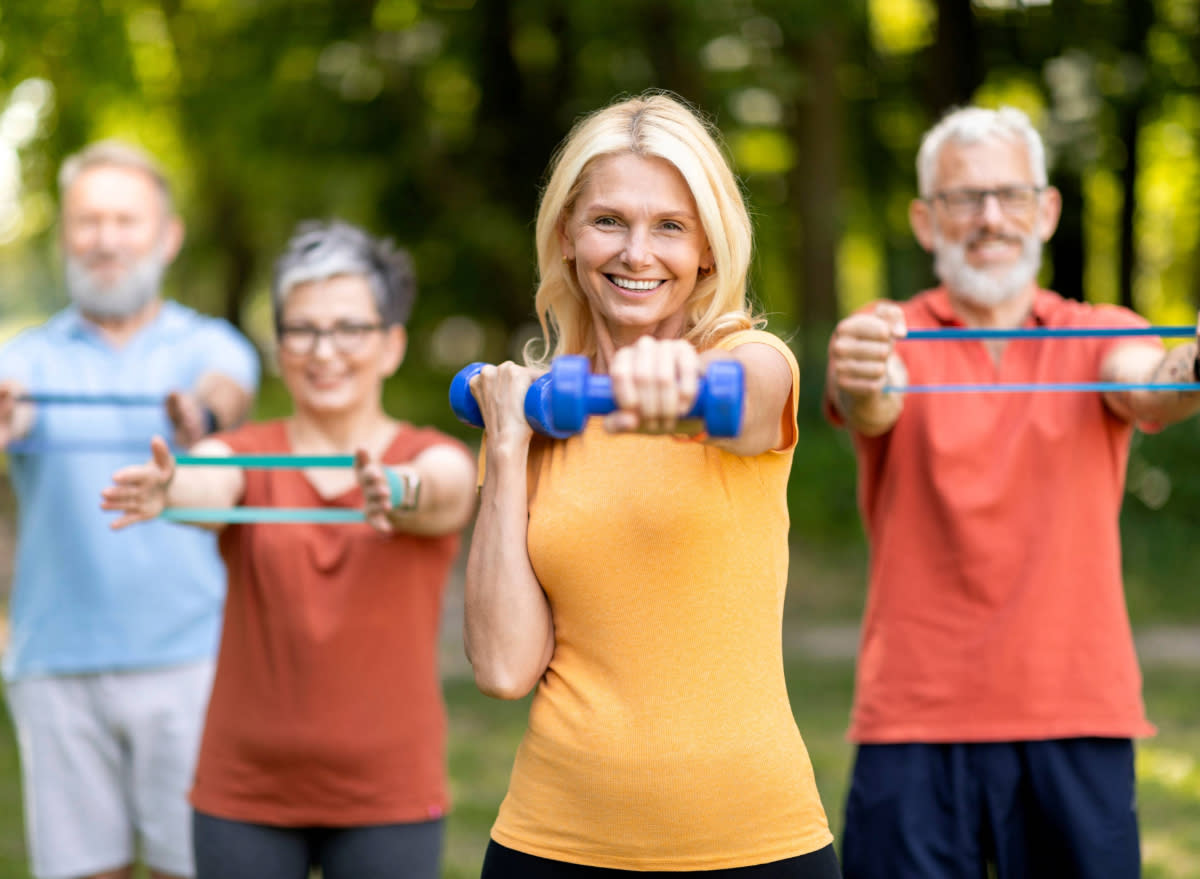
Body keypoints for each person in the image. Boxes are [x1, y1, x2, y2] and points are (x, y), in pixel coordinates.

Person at [464, 92, 841, 878]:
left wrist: (684, 385)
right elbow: (504, 668)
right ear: (567, 234)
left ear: (707, 247)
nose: (638, 253)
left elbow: (752, 396)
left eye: (669, 225)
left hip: (757, 844)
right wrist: (504, 451)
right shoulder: (534, 420)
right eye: (609, 221)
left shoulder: (753, 363)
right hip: (553, 844)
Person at [825, 105, 1200, 879]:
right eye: (964, 199)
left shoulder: (1097, 328)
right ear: (927, 222)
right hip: (914, 717)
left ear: (1047, 210)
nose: (989, 218)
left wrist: (1191, 362)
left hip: (1077, 712)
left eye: (1010, 194)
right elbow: (872, 396)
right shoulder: (885, 328)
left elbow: (1150, 385)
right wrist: (862, 372)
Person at [100, 219, 478, 879]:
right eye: (302, 329)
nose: (323, 350)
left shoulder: (429, 455)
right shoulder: (250, 452)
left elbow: (445, 491)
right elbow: (212, 477)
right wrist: (174, 485)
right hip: (243, 795)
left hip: (389, 795)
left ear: (391, 345)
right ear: (279, 346)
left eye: (349, 328)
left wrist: (393, 487)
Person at [0, 140, 260, 879]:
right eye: (88, 221)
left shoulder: (210, 344)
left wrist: (199, 415)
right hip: (55, 665)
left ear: (166, 235)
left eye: (124, 218)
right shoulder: (26, 357)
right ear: (66, 238)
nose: (106, 238)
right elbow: (9, 407)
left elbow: (226, 392)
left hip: (192, 660)